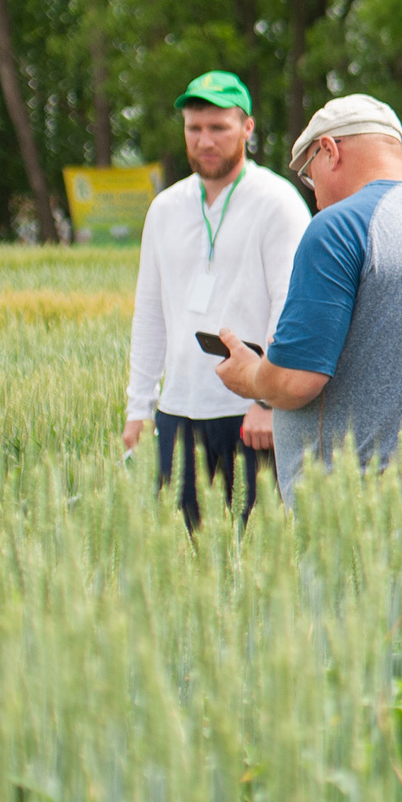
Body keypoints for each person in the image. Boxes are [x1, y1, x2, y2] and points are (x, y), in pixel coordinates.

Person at [214, 94, 402, 495]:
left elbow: (295, 380)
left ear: (328, 150)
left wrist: (253, 376)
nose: (315, 194)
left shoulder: (340, 226)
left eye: (311, 174)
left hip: (358, 508)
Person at [122, 70, 309, 532]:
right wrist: (138, 408)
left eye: (218, 127)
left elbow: (292, 306)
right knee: (184, 559)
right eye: (194, 128)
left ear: (247, 128)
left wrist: (269, 401)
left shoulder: (277, 202)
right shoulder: (164, 208)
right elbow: (149, 313)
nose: (205, 140)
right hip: (178, 411)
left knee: (259, 555)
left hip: (249, 413)